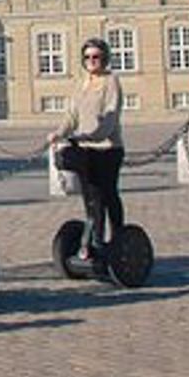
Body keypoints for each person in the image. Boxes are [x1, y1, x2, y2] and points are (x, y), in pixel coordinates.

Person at [46, 36, 125, 262]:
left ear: (105, 58)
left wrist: (91, 135)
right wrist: (59, 133)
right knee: (91, 198)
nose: (92, 61)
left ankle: (119, 238)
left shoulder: (111, 82)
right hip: (85, 149)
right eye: (88, 57)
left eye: (96, 57)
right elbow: (71, 115)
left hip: (108, 149)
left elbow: (110, 118)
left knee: (108, 194)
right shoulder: (81, 82)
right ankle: (95, 241)